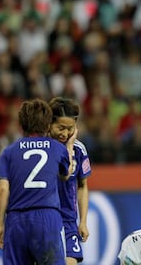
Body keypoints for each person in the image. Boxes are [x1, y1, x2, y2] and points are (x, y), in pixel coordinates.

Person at [0, 98, 76, 265]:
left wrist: (0, 225)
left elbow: (3, 190)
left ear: (21, 124)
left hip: (17, 220)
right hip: (48, 218)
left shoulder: (8, 152)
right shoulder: (57, 148)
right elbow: (66, 175)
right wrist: (70, 146)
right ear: (47, 124)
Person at [48, 97, 92, 265]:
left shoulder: (79, 149)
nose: (65, 134)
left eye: (70, 128)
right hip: (45, 218)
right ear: (49, 123)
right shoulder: (43, 149)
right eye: (60, 127)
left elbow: (83, 186)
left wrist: (83, 221)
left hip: (68, 220)